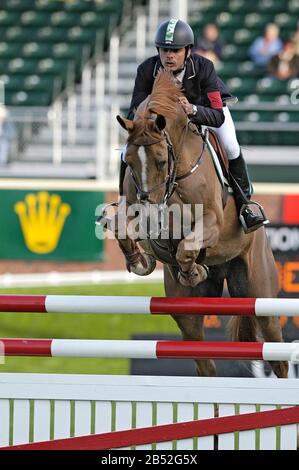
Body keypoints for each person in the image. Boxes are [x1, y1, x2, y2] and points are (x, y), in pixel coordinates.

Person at [120, 19, 267, 233]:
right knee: (126, 152)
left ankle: (245, 204)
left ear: (188, 51)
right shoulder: (146, 70)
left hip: (205, 112)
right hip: (165, 124)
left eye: (175, 50)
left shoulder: (204, 67)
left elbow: (217, 116)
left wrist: (193, 111)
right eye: (164, 49)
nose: (169, 55)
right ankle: (123, 204)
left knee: (230, 145)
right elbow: (135, 109)